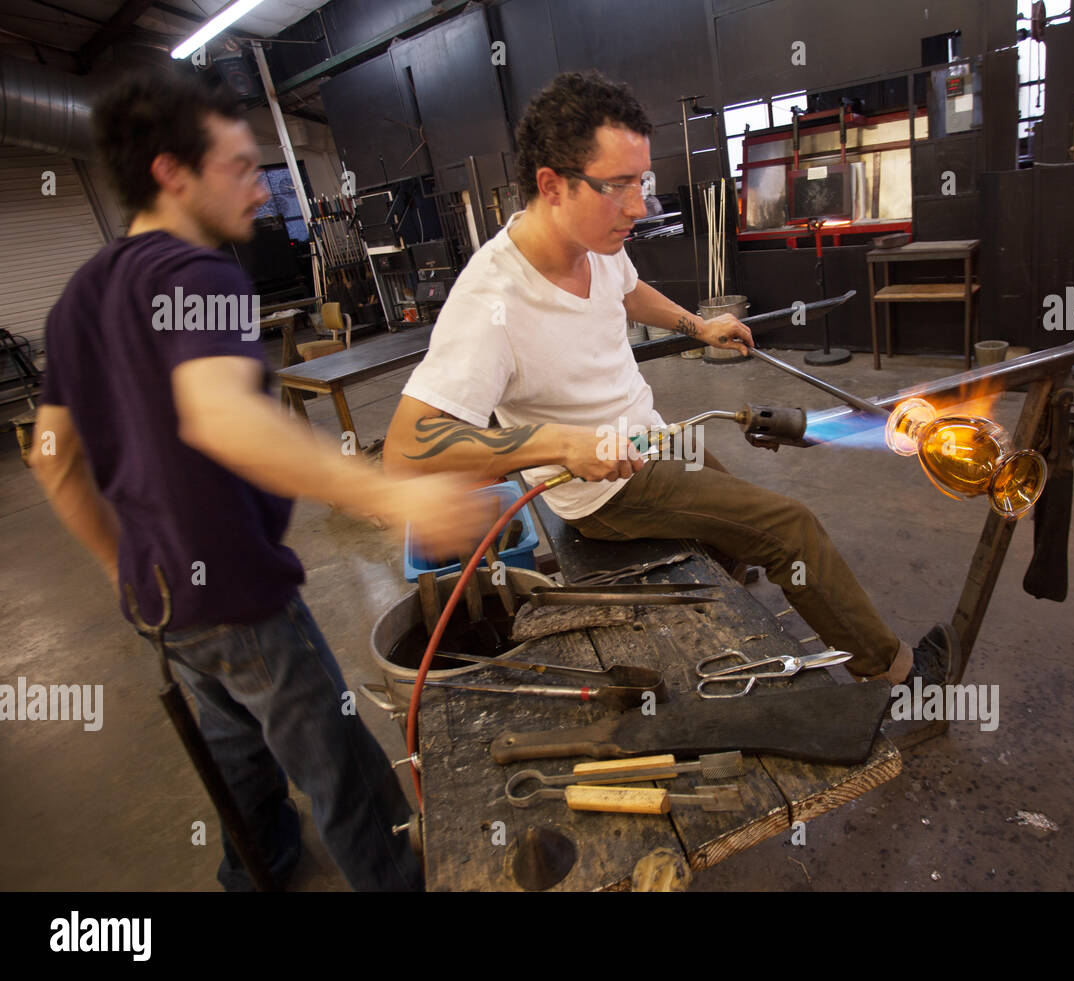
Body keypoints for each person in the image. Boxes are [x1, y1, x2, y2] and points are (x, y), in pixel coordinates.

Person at [30, 68, 487, 891]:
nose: (260, 189)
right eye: (240, 167)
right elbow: (223, 417)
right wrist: (389, 491)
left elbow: (51, 459)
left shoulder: (78, 299)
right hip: (241, 598)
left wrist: (121, 568)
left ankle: (257, 867)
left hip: (163, 601)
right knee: (343, 771)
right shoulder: (202, 278)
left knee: (236, 744)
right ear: (173, 172)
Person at [382, 70, 956, 693]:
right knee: (788, 527)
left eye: (642, 183)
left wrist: (696, 324)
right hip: (605, 488)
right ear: (551, 184)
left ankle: (722, 624)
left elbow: (628, 291)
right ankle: (900, 680)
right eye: (617, 186)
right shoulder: (491, 301)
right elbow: (408, 449)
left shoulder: (597, 239)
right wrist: (558, 445)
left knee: (740, 521)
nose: (638, 206)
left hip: (656, 438)